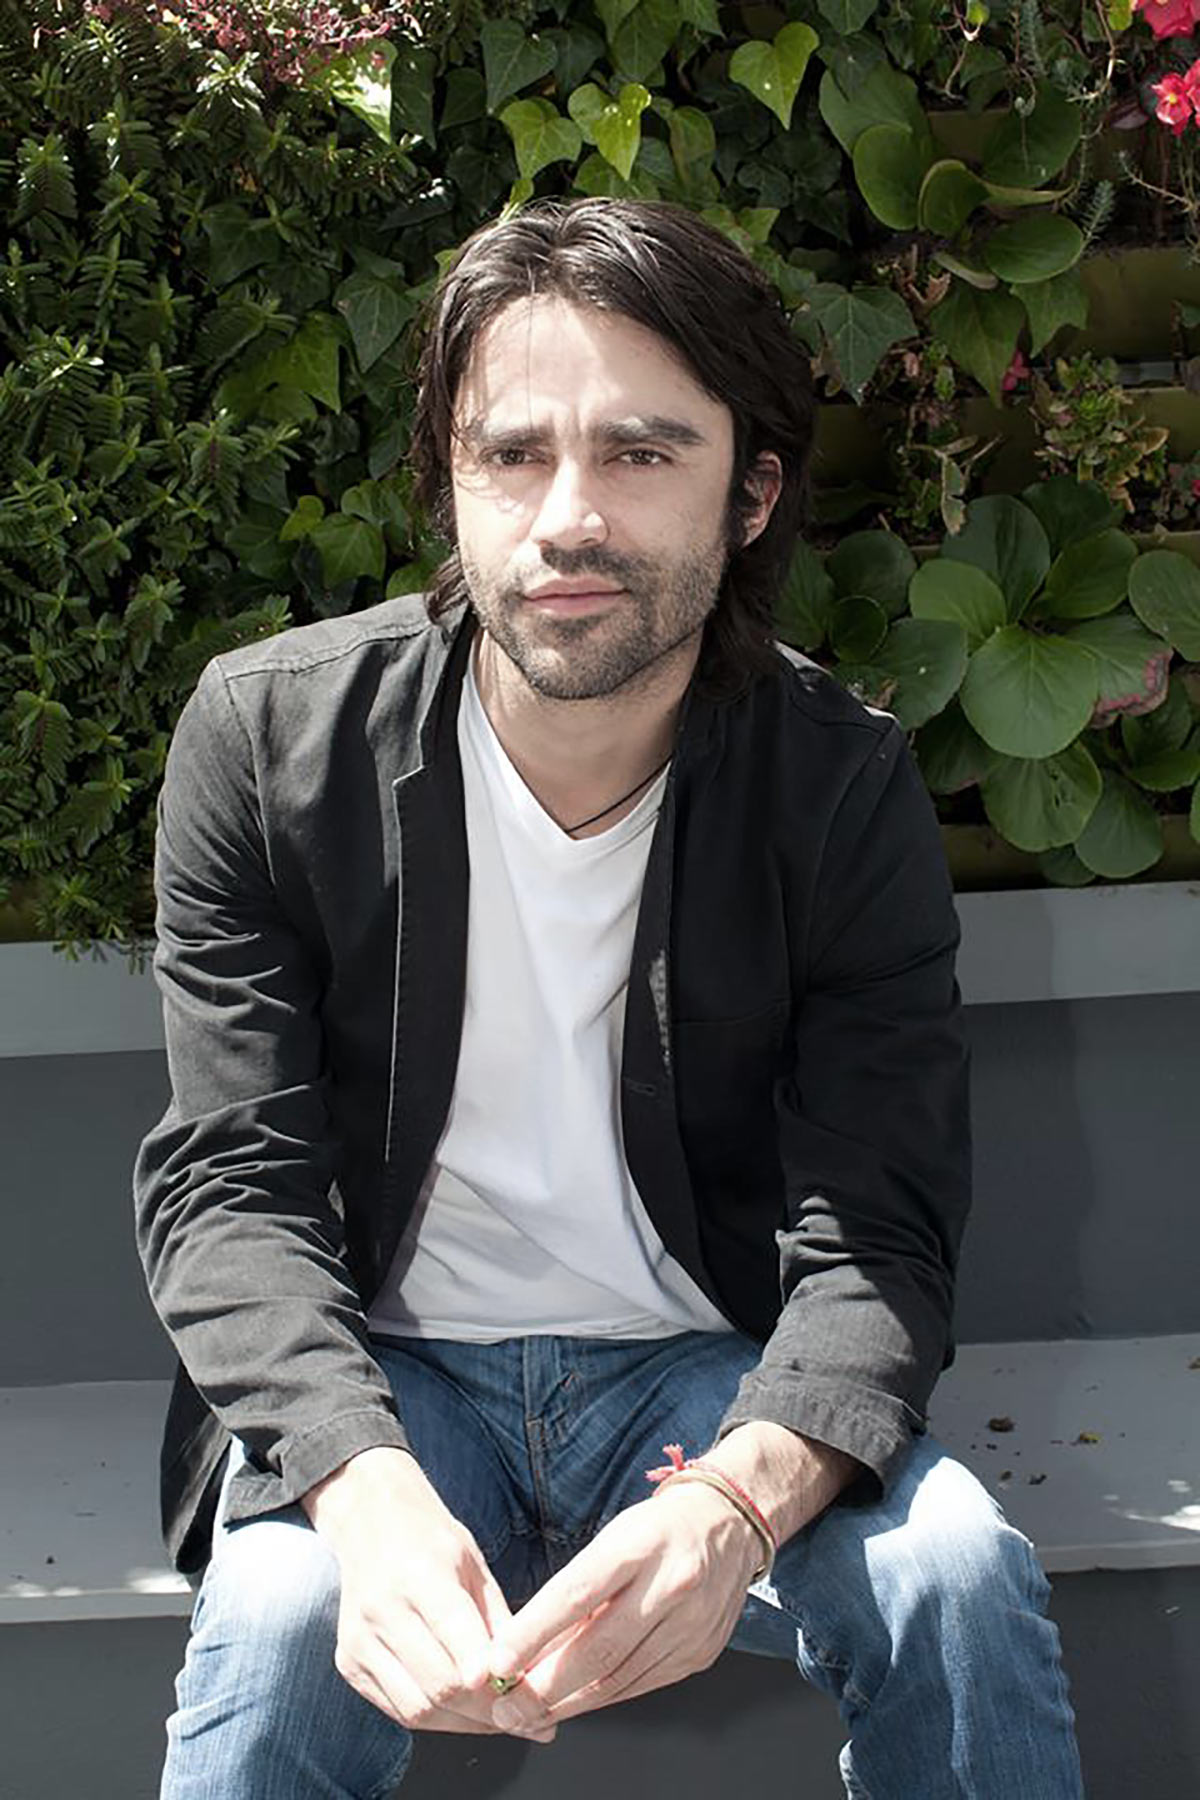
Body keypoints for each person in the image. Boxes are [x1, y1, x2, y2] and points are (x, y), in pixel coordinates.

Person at [134, 197, 1084, 1799]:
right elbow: (231, 1190)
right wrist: (360, 1487)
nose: (566, 518)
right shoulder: (269, 742)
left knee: (955, 1579)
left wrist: (737, 1501)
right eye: (512, 455)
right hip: (383, 1375)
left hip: (703, 1371)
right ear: (450, 478)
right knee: (288, 1612)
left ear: (752, 491)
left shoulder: (836, 786)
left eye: (641, 454)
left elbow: (879, 1226)